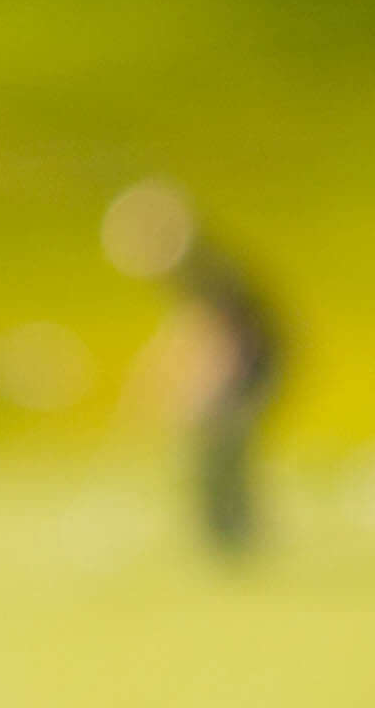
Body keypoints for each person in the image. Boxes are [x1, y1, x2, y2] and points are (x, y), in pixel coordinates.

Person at [104, 180, 290, 561]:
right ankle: (228, 537)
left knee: (220, 452)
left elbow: (226, 335)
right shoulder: (197, 271)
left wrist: (204, 388)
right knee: (214, 452)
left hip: (253, 366)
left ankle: (236, 538)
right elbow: (190, 330)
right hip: (251, 364)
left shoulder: (206, 271)